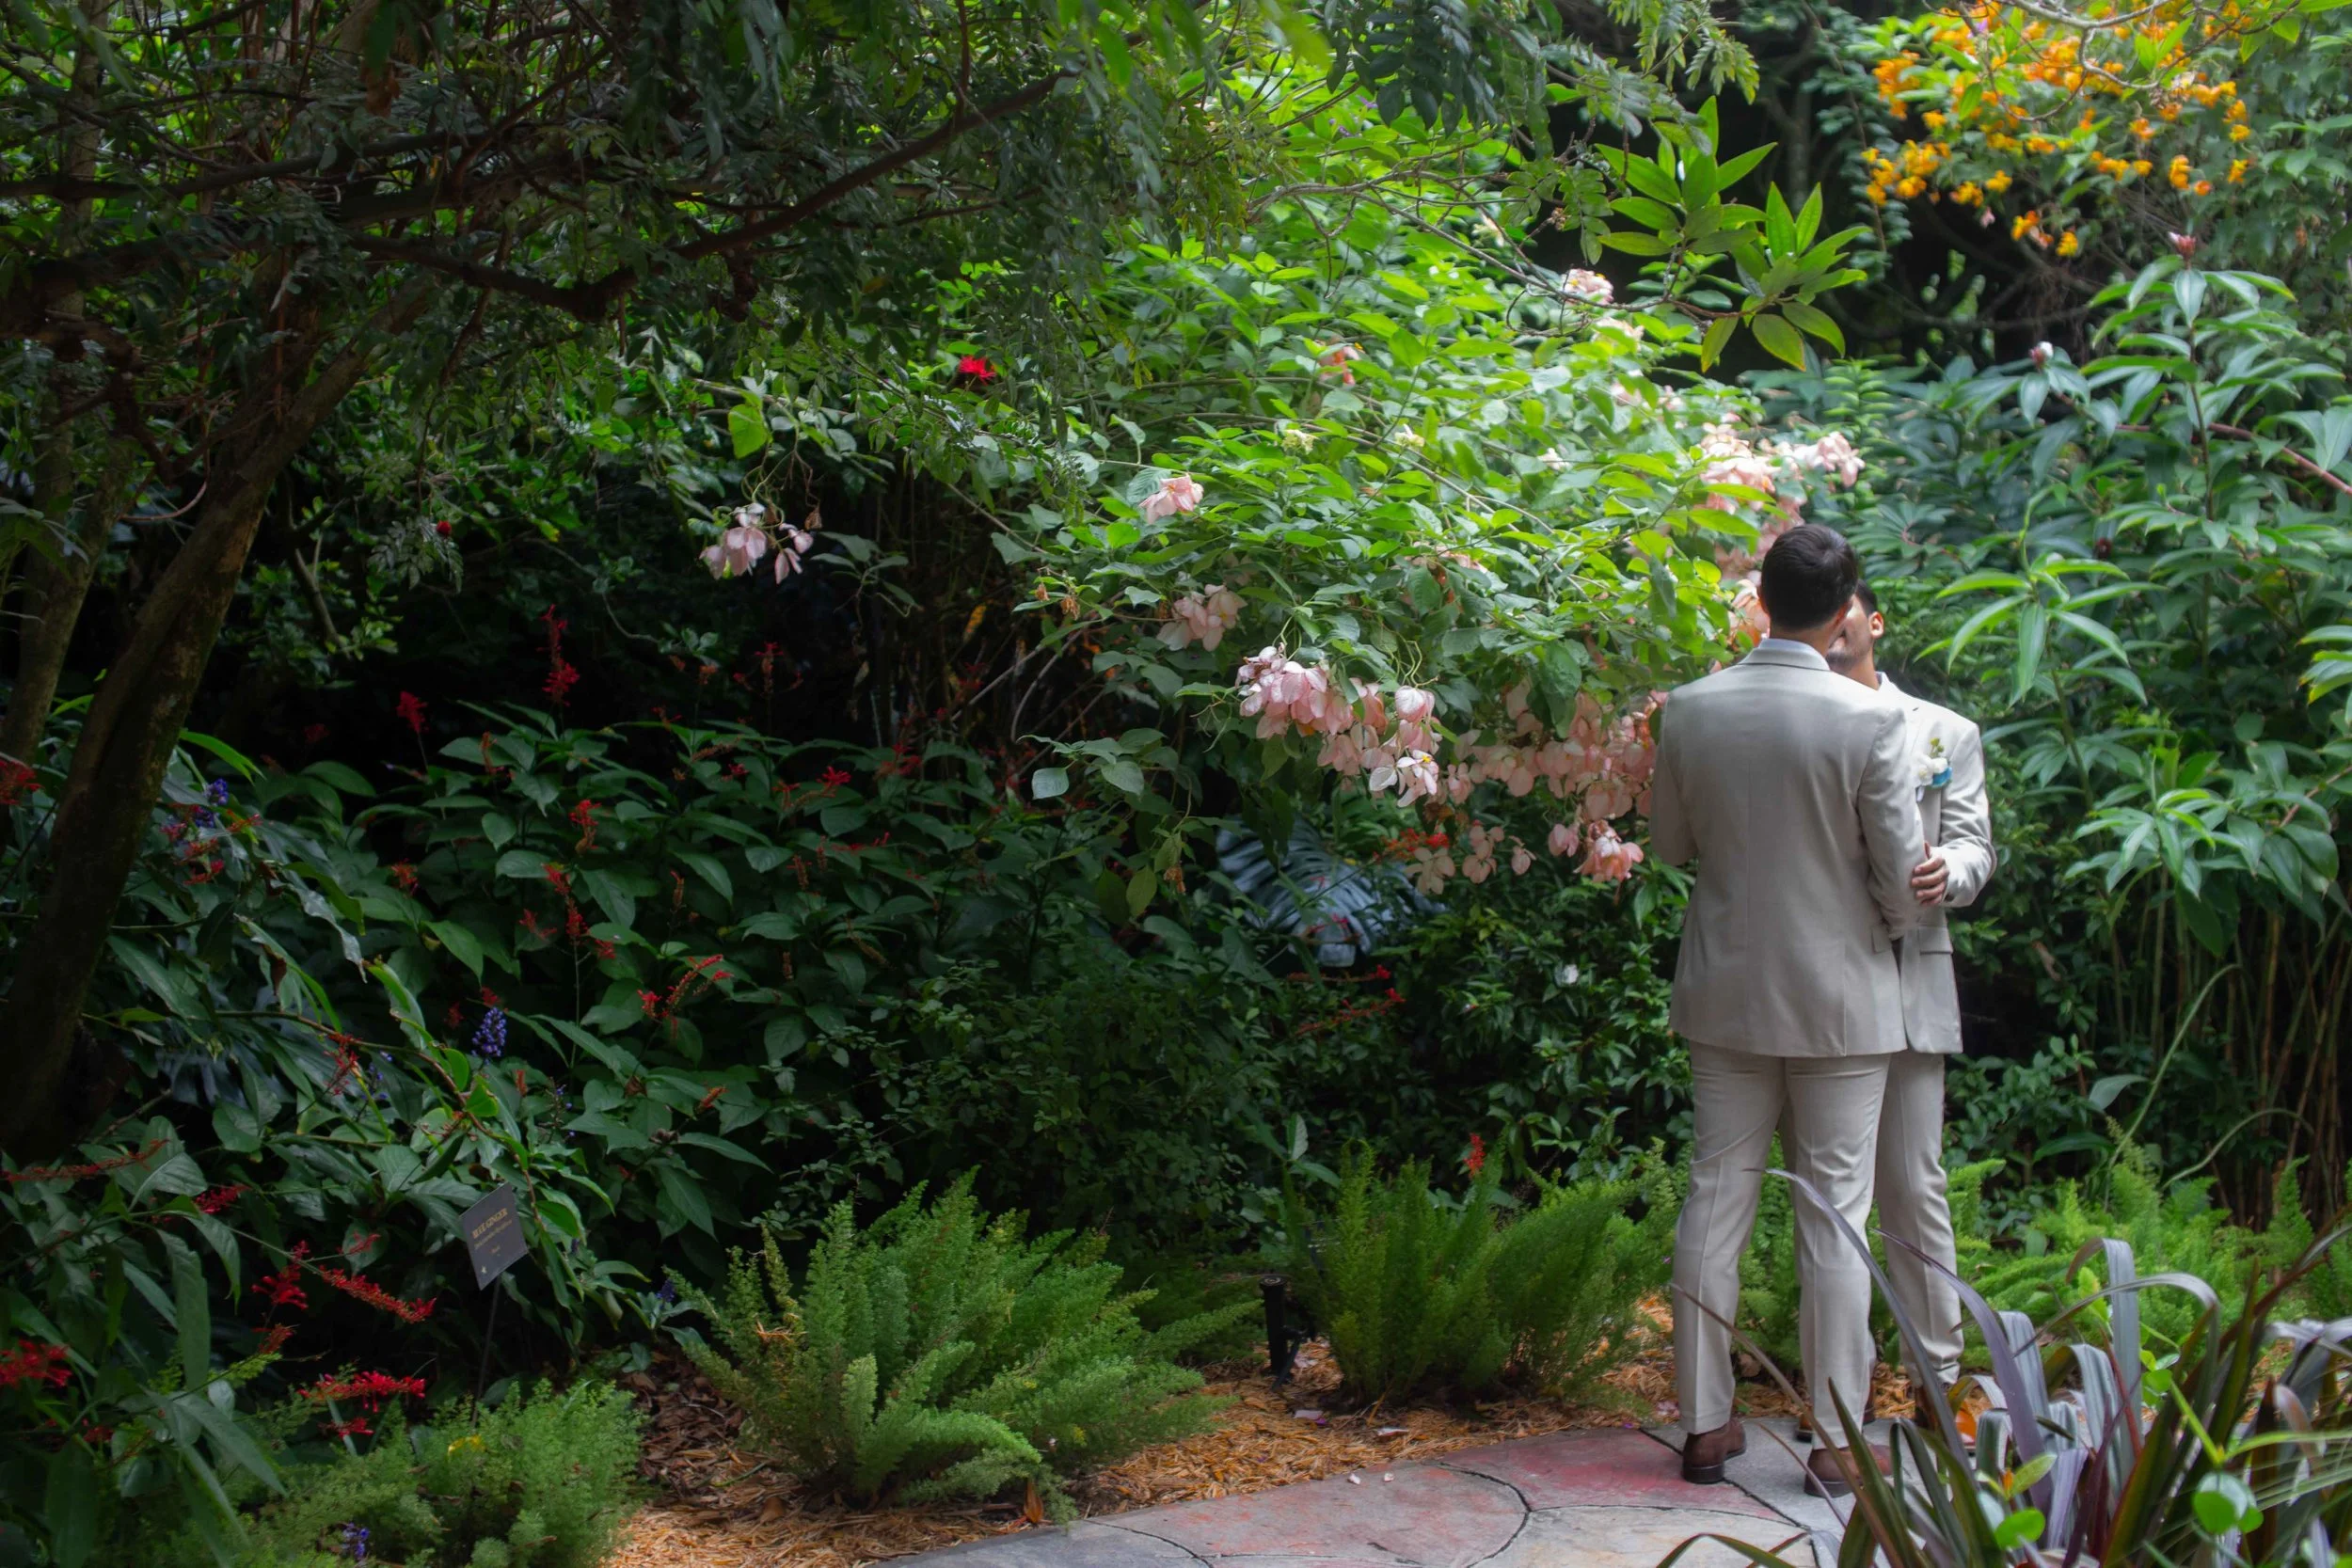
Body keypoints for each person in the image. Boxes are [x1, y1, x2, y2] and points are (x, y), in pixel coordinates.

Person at [1648, 523, 1923, 1498]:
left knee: (1714, 1192)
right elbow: (1899, 874)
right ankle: (1838, 1438)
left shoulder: (1689, 708)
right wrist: (1889, 919)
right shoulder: (1869, 720)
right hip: (1843, 993)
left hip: (1724, 984)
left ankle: (1703, 1422)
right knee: (1834, 1213)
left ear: (1758, 598)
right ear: (1846, 607)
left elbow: (1670, 844)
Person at [1823, 580, 1995, 1399]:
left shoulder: (1945, 731)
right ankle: (1841, 1388)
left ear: (1873, 620)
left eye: (1844, 610)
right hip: (1816, 979)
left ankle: (1939, 1377)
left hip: (1908, 974)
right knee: (1829, 1197)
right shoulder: (1797, 721)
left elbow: (1975, 847)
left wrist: (1947, 873)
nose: (1834, 625)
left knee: (1912, 1182)